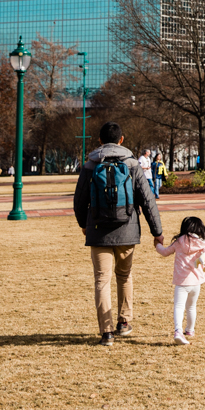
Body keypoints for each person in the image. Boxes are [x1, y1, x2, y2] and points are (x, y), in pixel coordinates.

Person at [73, 121, 164, 346]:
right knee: (124, 276)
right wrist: (157, 231)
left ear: (99, 140)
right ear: (121, 140)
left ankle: (106, 332)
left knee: (101, 280)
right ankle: (124, 322)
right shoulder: (133, 163)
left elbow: (79, 199)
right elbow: (148, 199)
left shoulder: (90, 164)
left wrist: (83, 224)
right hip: (127, 229)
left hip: (97, 230)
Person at [155, 215, 205, 346]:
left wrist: (157, 244)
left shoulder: (179, 241)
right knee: (191, 307)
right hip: (196, 282)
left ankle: (178, 331)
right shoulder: (202, 243)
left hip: (181, 282)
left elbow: (165, 252)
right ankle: (190, 330)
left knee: (179, 306)